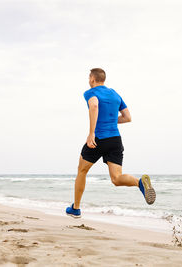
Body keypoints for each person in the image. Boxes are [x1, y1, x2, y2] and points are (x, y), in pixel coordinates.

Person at [66, 68, 156, 218]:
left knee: (82, 171)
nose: (89, 81)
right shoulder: (115, 94)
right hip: (115, 139)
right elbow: (127, 117)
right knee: (116, 178)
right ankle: (140, 183)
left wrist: (91, 133)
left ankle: (75, 208)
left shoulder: (91, 92)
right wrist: (111, 121)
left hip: (98, 139)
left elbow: (94, 106)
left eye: (89, 78)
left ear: (93, 79)